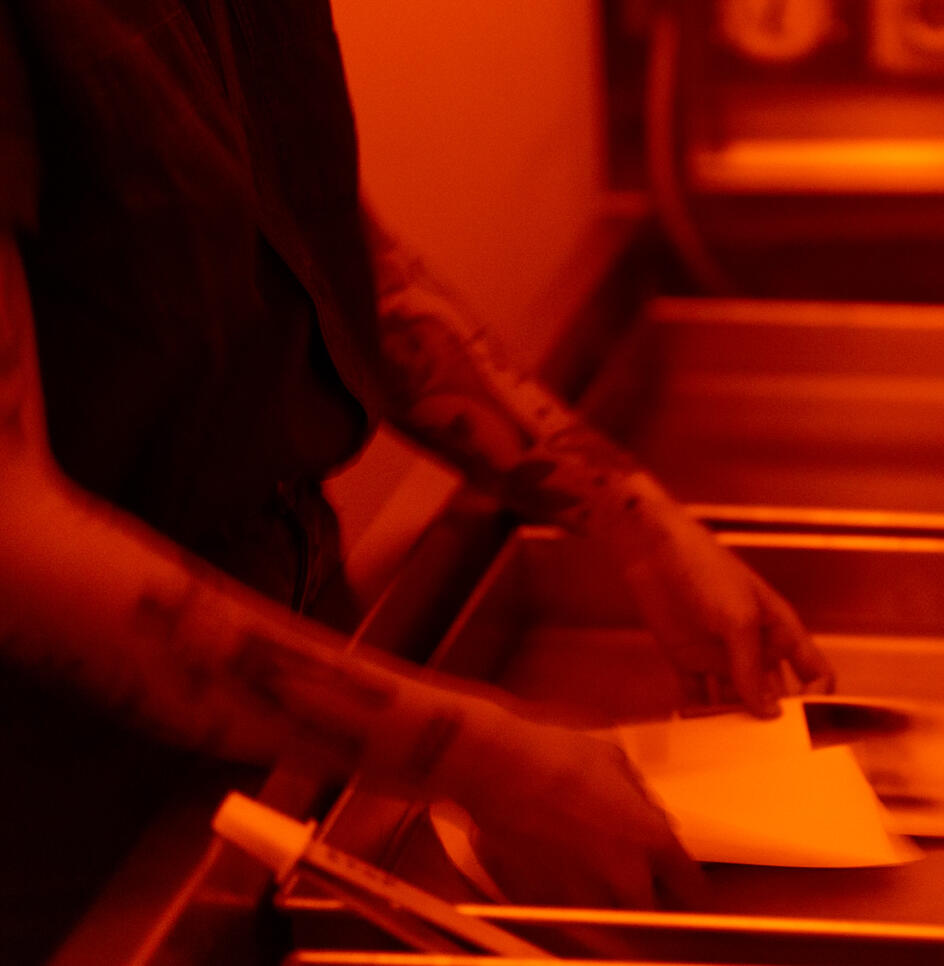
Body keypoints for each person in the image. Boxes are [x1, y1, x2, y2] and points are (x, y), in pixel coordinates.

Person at [0, 0, 833, 957]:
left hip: (292, 666)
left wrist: (631, 515)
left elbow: (332, 256)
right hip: (58, 804)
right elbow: (12, 541)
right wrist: (491, 759)